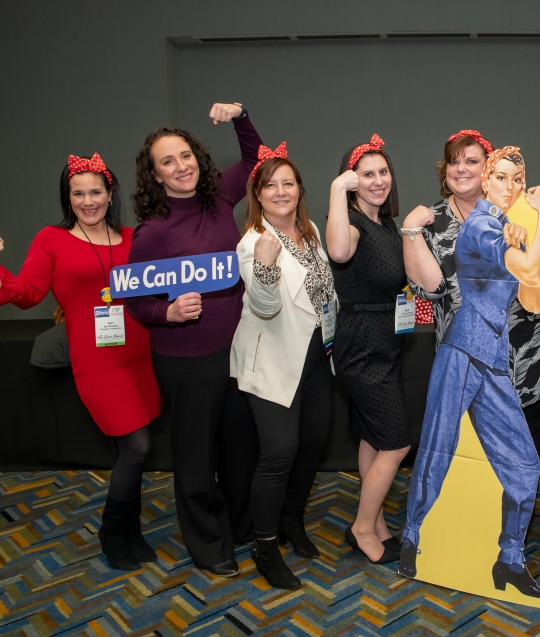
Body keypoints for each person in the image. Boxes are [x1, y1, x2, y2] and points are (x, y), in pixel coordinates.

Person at [0, 154, 161, 571]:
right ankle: (111, 531)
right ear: (68, 198)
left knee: (129, 449)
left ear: (110, 193)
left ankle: (132, 529)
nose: (87, 201)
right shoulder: (52, 239)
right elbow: (27, 292)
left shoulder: (133, 237)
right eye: (78, 194)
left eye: (95, 192)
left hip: (140, 356)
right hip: (97, 361)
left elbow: (159, 286)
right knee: (138, 444)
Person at [400, 146, 540, 600]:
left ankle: (509, 558)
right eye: (502, 177)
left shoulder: (507, 226)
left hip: (497, 358)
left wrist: (528, 229)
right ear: (486, 183)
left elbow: (532, 295)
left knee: (525, 465)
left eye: (518, 180)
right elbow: (528, 268)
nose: (511, 187)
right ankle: (412, 538)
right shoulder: (480, 225)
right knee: (437, 449)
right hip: (462, 349)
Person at [125, 102, 261, 577]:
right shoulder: (151, 233)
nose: (181, 166)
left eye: (186, 155)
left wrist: (241, 117)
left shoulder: (219, 197)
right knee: (197, 458)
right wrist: (167, 311)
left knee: (242, 450)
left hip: (237, 352)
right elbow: (134, 300)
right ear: (155, 174)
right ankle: (208, 544)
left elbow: (255, 158)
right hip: (186, 361)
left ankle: (241, 528)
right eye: (168, 161)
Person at [403, 130, 540, 466]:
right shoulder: (432, 222)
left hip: (521, 358)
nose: (461, 169)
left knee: (524, 461)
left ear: (488, 171)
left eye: (471, 161)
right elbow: (430, 289)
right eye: (453, 162)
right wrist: (411, 231)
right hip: (467, 364)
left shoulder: (517, 210)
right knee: (473, 468)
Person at [231, 143, 336, 589]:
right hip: (273, 360)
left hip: (315, 356)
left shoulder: (309, 229)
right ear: (258, 192)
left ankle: (293, 520)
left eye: (287, 183)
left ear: (299, 189)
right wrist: (268, 268)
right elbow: (265, 305)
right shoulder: (252, 243)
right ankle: (265, 544)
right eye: (270, 185)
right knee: (279, 454)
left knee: (313, 443)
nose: (280, 191)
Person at [325, 134, 409, 565]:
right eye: (366, 174)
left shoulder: (386, 224)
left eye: (382, 172)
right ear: (351, 178)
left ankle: (373, 520)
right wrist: (338, 191)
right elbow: (338, 252)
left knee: (374, 437)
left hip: (386, 341)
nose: (377, 181)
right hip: (360, 344)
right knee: (396, 442)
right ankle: (362, 527)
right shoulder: (352, 223)